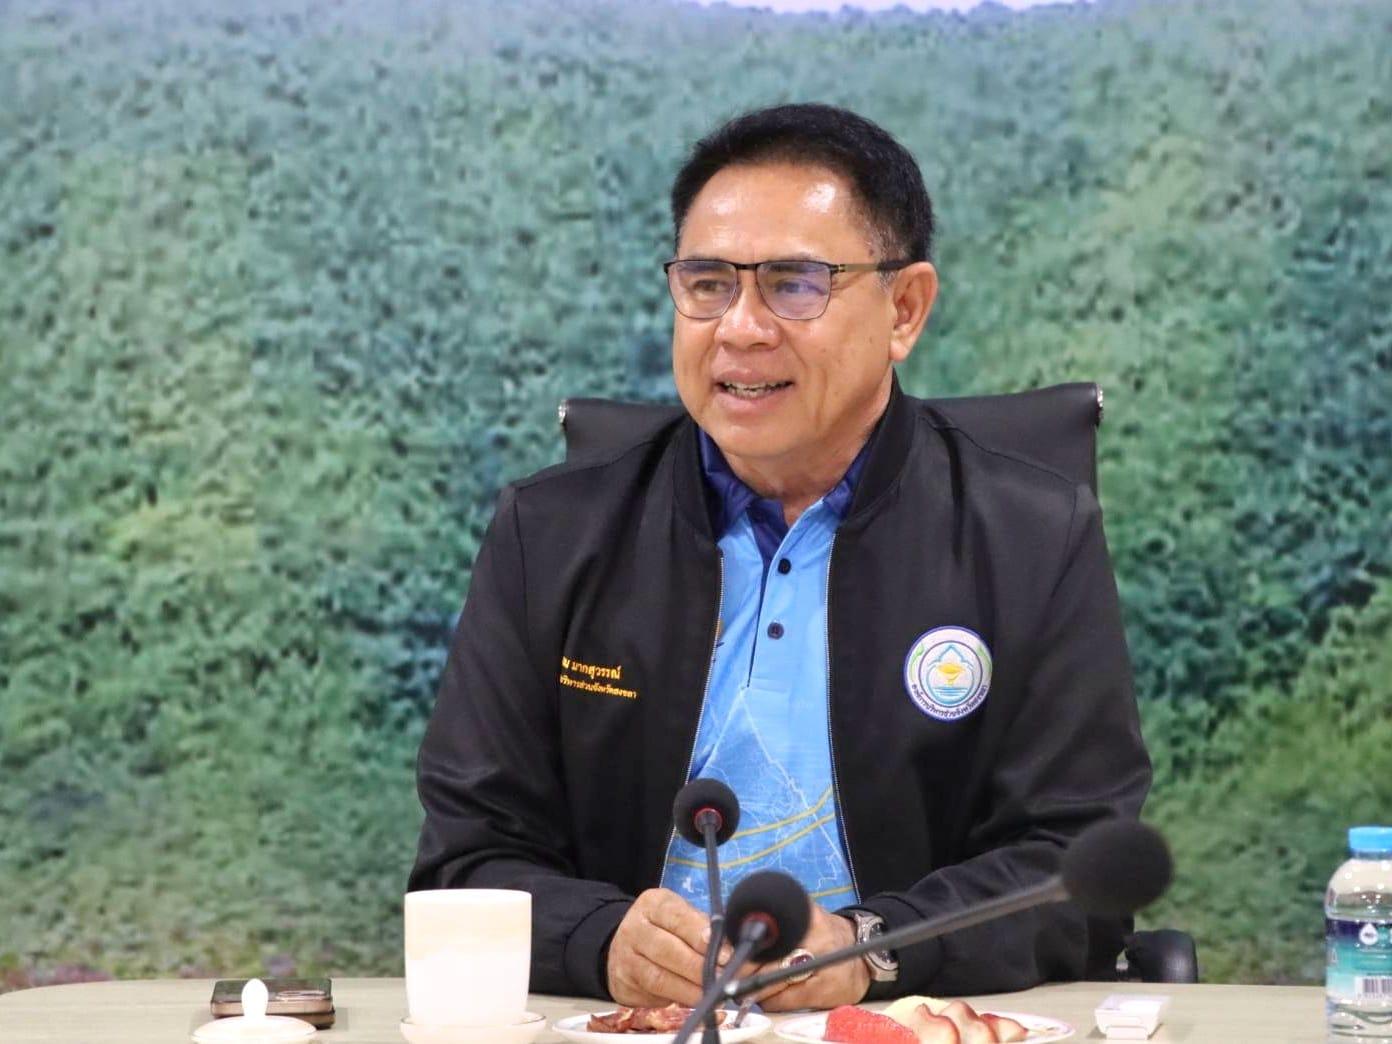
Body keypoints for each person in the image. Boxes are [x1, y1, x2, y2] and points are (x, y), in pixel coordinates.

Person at [409, 103, 1150, 1010]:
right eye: (708, 283)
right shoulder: (552, 535)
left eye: (794, 284)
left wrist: (870, 951)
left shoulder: (1032, 535)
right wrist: (602, 941)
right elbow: (466, 859)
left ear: (904, 309)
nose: (741, 328)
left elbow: (1077, 868)